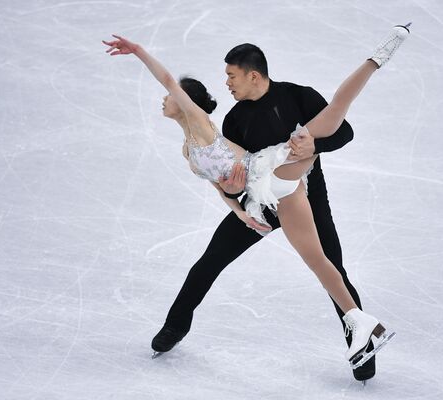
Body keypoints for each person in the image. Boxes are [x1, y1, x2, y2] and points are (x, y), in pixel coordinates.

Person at [103, 23, 410, 379]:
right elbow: (230, 178)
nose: (227, 83)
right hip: (262, 198)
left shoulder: (297, 96)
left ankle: (362, 344)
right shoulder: (232, 121)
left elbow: (344, 130)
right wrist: (237, 199)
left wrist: (316, 147)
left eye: (231, 76)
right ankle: (175, 326)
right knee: (210, 260)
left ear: (253, 75)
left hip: (304, 191)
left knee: (330, 266)